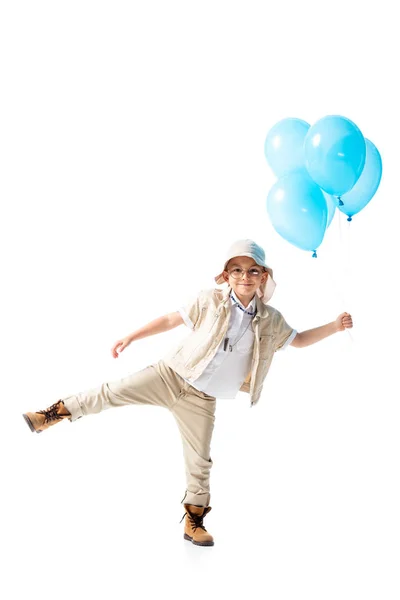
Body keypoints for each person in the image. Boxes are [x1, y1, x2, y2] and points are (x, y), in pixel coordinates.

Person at [22, 239, 353, 547]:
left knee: (200, 461)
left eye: (253, 270)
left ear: (264, 276)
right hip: (170, 375)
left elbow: (298, 340)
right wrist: (132, 337)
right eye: (237, 270)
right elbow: (171, 319)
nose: (245, 277)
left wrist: (335, 327)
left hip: (202, 399)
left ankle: (193, 521)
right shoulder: (210, 300)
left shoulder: (270, 320)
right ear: (226, 275)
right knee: (112, 392)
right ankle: (49, 415)